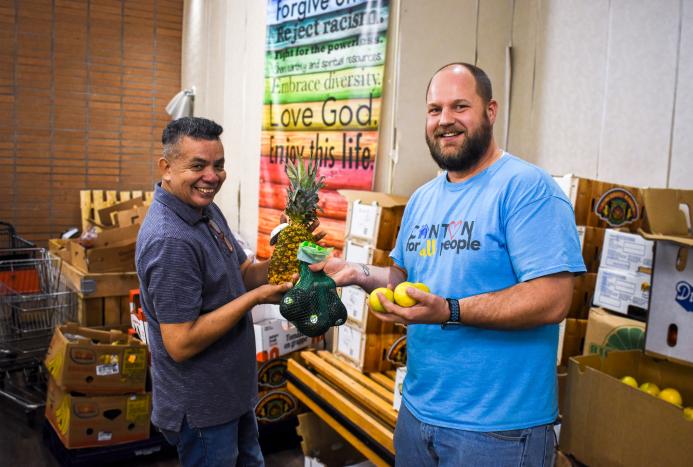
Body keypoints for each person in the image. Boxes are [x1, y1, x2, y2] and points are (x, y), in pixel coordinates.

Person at [313, 63, 586, 466]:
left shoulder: (527, 189)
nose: (445, 120)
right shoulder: (423, 198)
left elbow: (553, 299)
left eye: (460, 106)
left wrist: (450, 310)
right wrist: (357, 273)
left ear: (490, 111)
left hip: (498, 431)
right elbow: (406, 281)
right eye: (434, 109)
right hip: (418, 414)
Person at [136, 117, 294, 467]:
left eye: (218, 165)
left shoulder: (204, 209)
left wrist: (286, 258)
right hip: (203, 407)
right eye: (198, 165)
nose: (212, 177)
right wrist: (254, 299)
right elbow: (180, 343)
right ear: (166, 167)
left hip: (231, 393)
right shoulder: (170, 240)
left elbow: (238, 275)